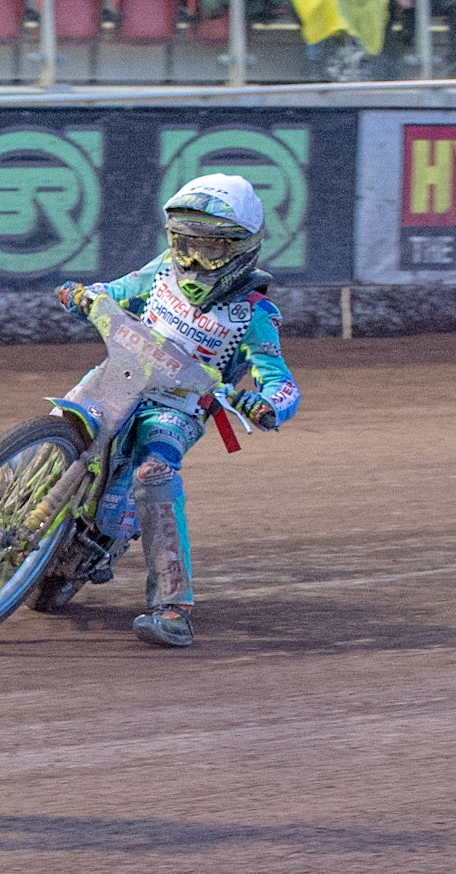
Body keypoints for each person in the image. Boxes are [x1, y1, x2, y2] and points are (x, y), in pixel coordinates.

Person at [56, 173, 300, 649]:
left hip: (178, 406)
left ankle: (173, 607)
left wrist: (266, 404)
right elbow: (117, 290)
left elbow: (280, 379)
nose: (192, 260)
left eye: (209, 249)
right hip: (120, 375)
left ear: (242, 248)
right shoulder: (163, 270)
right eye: (185, 244)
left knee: (153, 470)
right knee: (60, 425)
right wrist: (83, 296)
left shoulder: (254, 315)